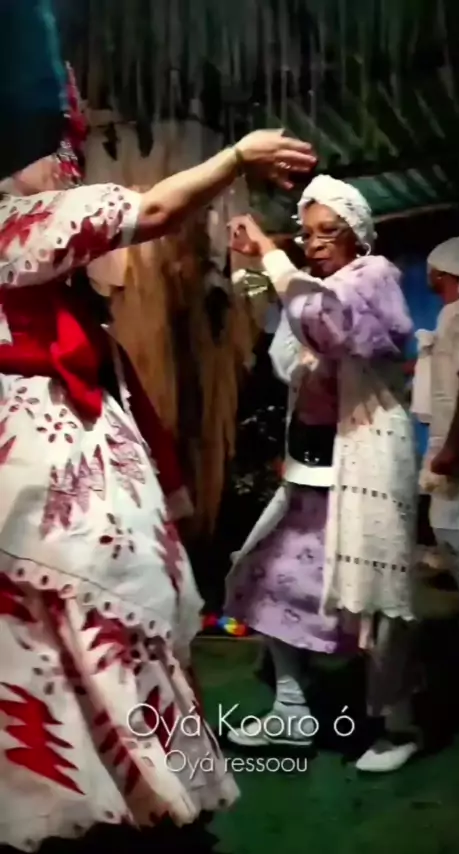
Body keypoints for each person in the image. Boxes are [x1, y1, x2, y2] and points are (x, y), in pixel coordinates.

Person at [0, 63, 317, 849]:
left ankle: (115, 794)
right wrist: (235, 157)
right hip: (44, 451)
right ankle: (122, 799)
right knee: (91, 607)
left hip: (54, 443)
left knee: (79, 620)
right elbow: (152, 208)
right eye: (52, 147)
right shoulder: (18, 223)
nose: (67, 164)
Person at [225, 175, 420, 772]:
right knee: (273, 577)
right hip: (313, 468)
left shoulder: (373, 277)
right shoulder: (320, 288)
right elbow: (291, 356)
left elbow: (327, 326)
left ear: (357, 236)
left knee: (376, 598)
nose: (315, 243)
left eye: (328, 232)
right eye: (308, 234)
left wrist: (271, 254)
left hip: (366, 464)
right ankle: (291, 709)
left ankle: (397, 723)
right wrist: (270, 280)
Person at [421, 237, 459, 630]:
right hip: (451, 435)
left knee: (454, 526)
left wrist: (455, 445)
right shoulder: (452, 316)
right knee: (451, 525)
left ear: (441, 273)